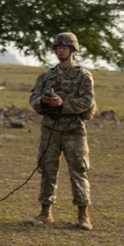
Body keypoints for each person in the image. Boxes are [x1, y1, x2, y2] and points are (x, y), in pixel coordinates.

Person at [28, 32, 97, 230]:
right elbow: (33, 99)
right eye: (58, 47)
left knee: (78, 170)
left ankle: (83, 216)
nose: (61, 50)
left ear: (73, 50)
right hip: (50, 129)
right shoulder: (46, 76)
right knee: (47, 170)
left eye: (65, 47)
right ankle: (45, 212)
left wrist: (63, 103)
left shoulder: (82, 75)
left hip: (74, 129)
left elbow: (87, 101)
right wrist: (43, 101)